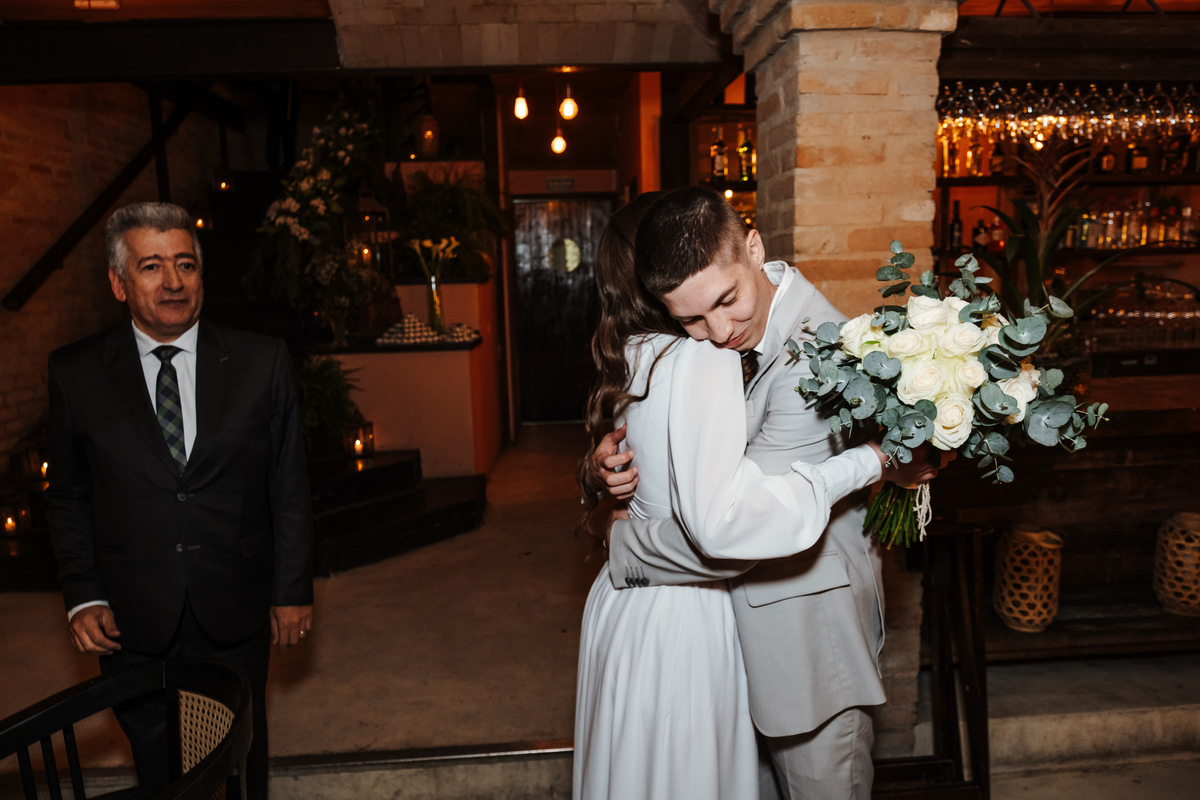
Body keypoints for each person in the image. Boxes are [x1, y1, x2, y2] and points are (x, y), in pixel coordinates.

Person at [574, 192, 928, 800]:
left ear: (756, 248)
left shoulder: (816, 359)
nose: (716, 333)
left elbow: (734, 528)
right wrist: (614, 463)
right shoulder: (718, 333)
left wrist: (621, 539)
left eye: (726, 302)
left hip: (802, 644)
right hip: (721, 641)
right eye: (690, 320)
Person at [45, 201, 314, 800]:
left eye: (185, 264)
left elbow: (287, 483)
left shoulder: (261, 361)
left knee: (240, 758)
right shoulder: (76, 374)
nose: (173, 281)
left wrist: (291, 589)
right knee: (160, 769)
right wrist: (82, 593)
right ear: (118, 283)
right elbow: (66, 493)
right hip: (131, 614)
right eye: (151, 266)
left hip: (235, 603)